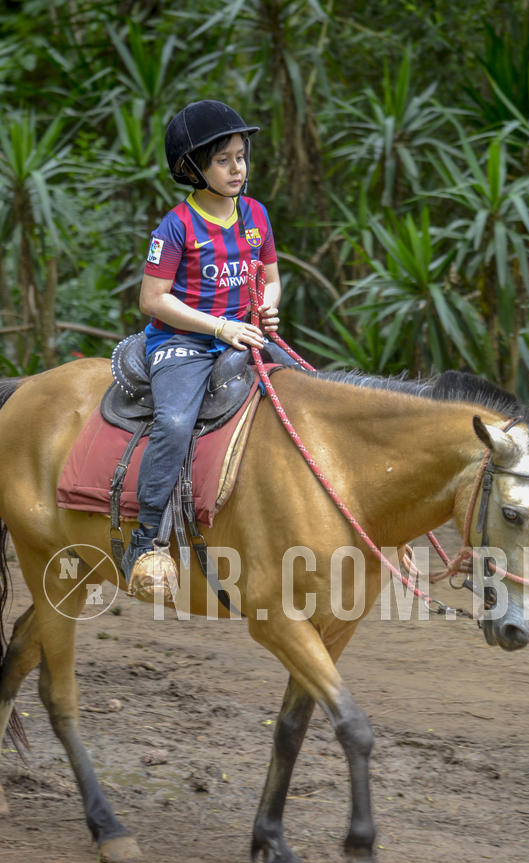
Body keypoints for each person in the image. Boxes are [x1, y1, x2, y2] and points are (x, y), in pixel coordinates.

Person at [120, 99, 281, 587]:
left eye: (241, 156)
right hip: (182, 344)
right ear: (193, 168)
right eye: (223, 160)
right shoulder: (175, 227)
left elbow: (271, 277)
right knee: (172, 421)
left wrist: (268, 304)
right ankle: (144, 541)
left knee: (308, 396)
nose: (237, 168)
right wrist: (218, 327)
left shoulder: (255, 214)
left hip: (243, 335)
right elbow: (153, 299)